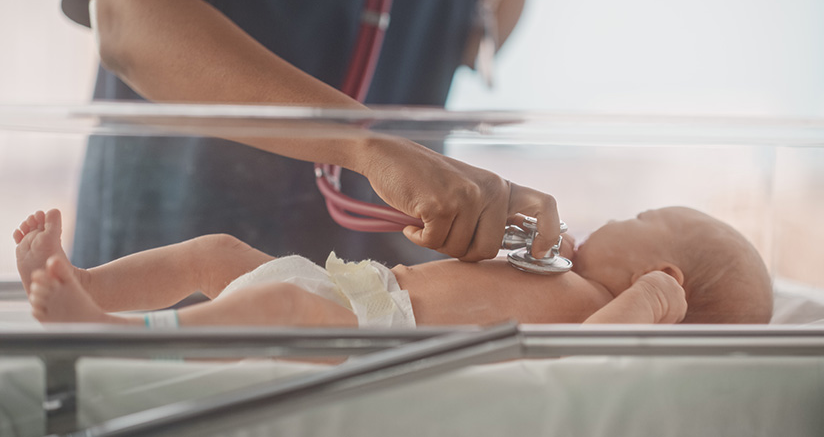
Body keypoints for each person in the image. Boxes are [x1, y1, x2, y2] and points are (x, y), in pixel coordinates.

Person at [60, 0, 556, 270]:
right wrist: (365, 146)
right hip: (181, 250)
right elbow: (132, 19)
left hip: (389, 271)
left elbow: (485, 29)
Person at [14, 207, 773, 327]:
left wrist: (653, 300)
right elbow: (459, 249)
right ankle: (81, 285)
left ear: (666, 274)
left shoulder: (598, 308)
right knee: (216, 252)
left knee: (278, 304)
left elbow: (613, 346)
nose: (613, 218)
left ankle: (120, 327)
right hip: (359, 281)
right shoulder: (555, 271)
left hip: (375, 327)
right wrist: (469, 223)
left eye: (636, 222)